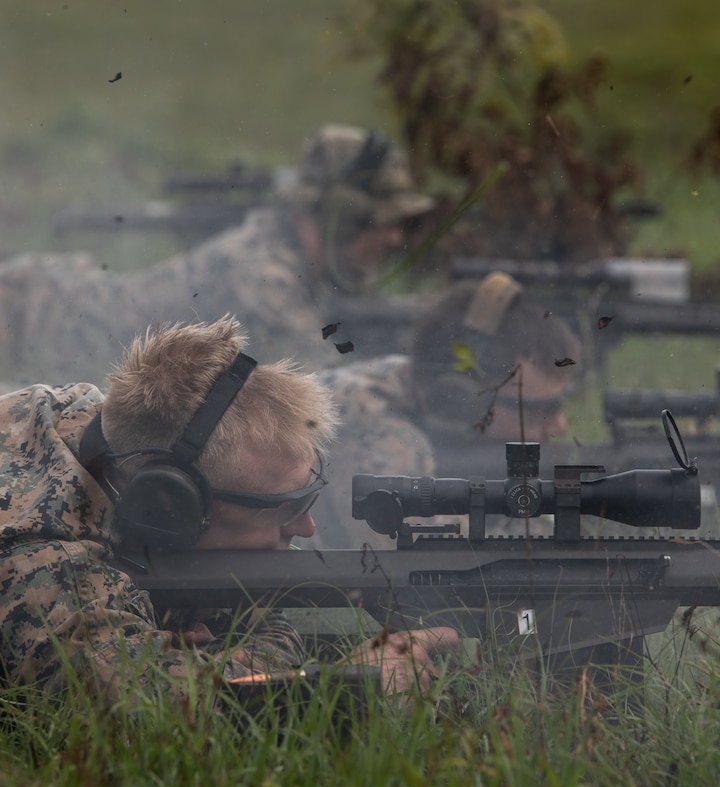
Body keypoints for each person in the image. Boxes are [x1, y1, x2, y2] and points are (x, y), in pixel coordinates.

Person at [0, 315, 457, 706]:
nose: (307, 525)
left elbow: (255, 624)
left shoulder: (123, 443)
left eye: (307, 497)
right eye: (281, 507)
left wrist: (220, 658)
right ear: (170, 506)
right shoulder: (36, 551)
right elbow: (144, 712)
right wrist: (352, 688)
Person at [0, 125, 435, 386]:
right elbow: (329, 391)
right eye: (386, 221)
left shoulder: (285, 252)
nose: (396, 237)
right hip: (28, 309)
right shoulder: (262, 275)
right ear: (348, 216)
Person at [309, 272, 581, 549]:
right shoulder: (377, 433)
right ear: (459, 398)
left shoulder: (413, 381)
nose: (559, 426)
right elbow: (424, 567)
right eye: (537, 411)